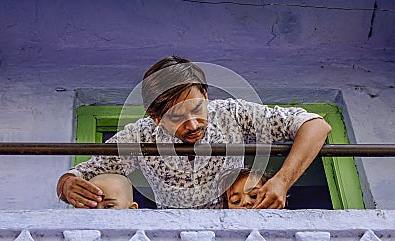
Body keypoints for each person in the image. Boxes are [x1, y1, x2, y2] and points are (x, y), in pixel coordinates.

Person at [57, 56, 331, 209]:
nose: (192, 124)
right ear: (155, 117)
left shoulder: (232, 115)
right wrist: (67, 184)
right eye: (176, 117)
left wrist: (283, 180)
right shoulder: (141, 135)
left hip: (233, 234)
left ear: (206, 95)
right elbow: (84, 173)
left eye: (198, 108)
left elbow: (315, 125)